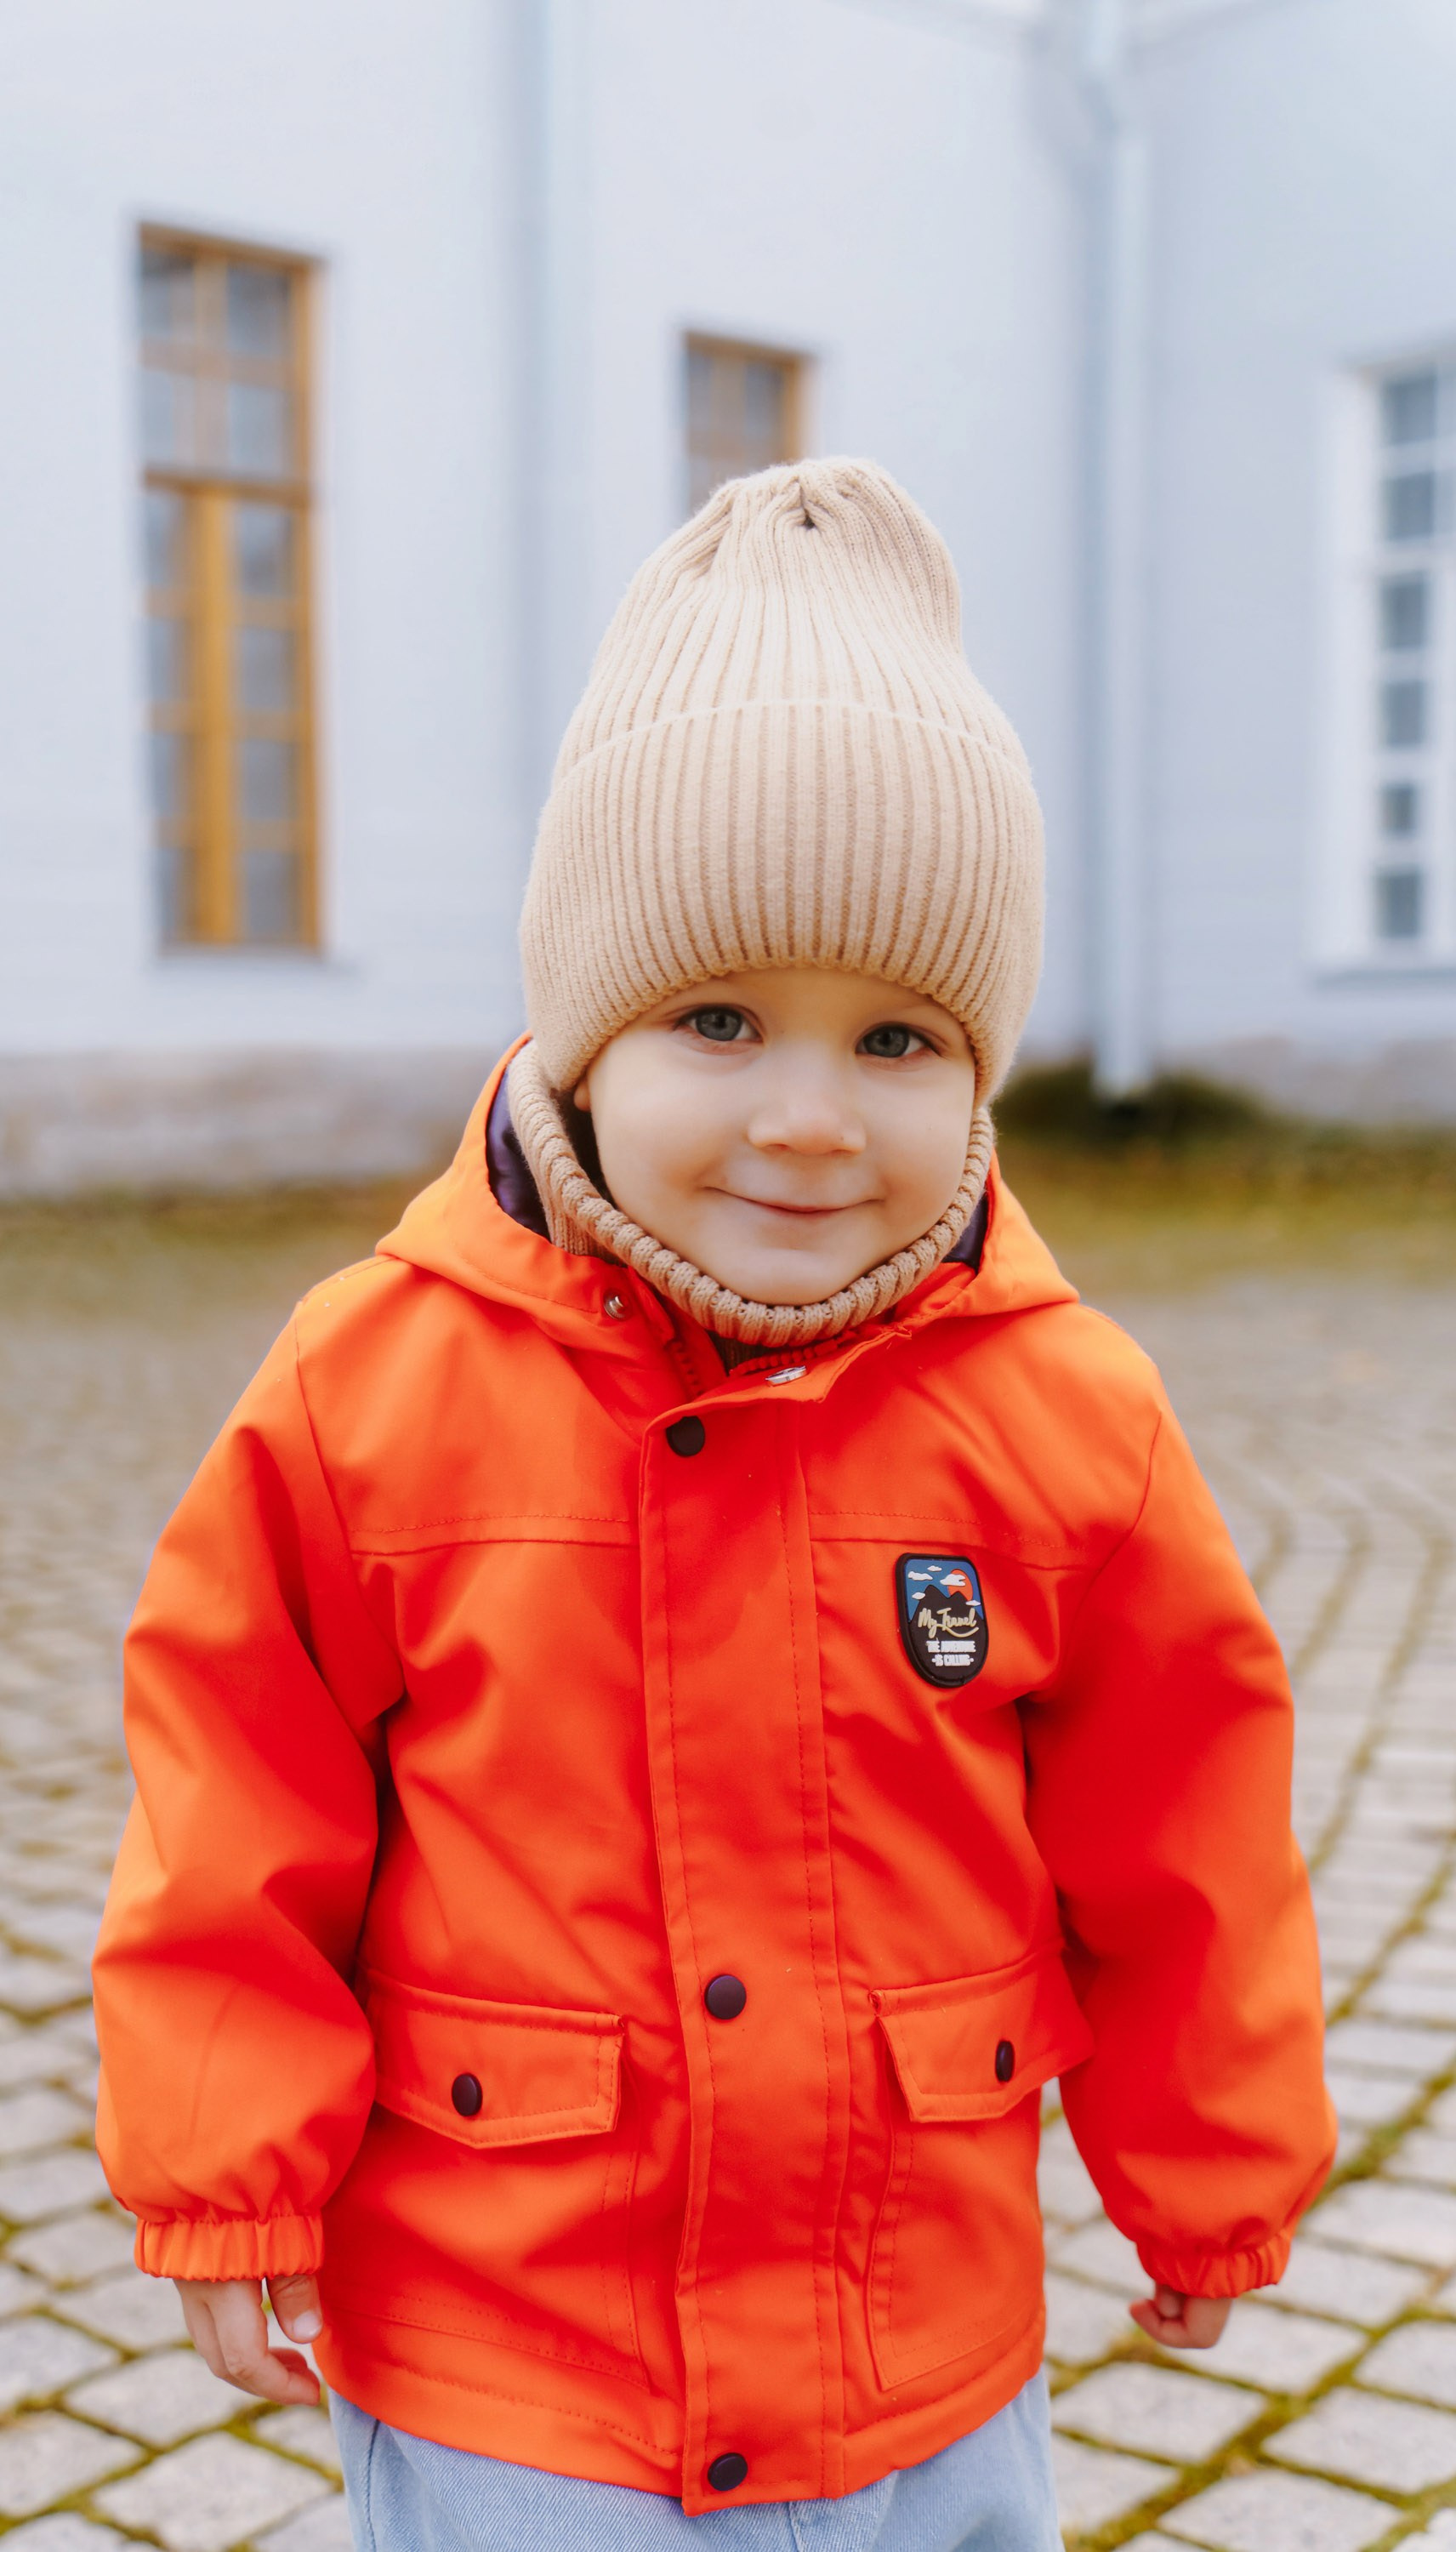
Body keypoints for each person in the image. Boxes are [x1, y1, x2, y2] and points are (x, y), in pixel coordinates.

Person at [93, 459, 1334, 2548]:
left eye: (898, 1038)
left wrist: (1210, 2168)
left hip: (920, 2364)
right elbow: (237, 1786)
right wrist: (231, 2167)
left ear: (982, 1071)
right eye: (718, 1018)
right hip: (521, 2372)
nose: (804, 1118)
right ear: (583, 1035)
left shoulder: (1066, 1410)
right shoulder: (372, 1384)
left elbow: (1182, 1820)